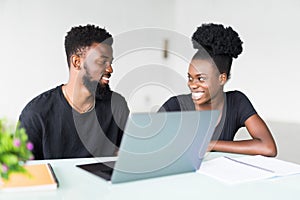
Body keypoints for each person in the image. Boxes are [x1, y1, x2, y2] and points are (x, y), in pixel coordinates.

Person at [159, 23, 277, 157]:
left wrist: (210, 144)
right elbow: (149, 146)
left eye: (201, 79)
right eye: (190, 78)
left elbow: (268, 148)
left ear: (221, 78)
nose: (192, 84)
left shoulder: (236, 102)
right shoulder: (175, 106)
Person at [19, 24, 129, 160]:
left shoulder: (117, 105)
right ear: (77, 62)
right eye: (102, 62)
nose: (110, 69)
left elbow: (126, 156)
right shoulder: (36, 113)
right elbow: (24, 172)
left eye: (110, 62)